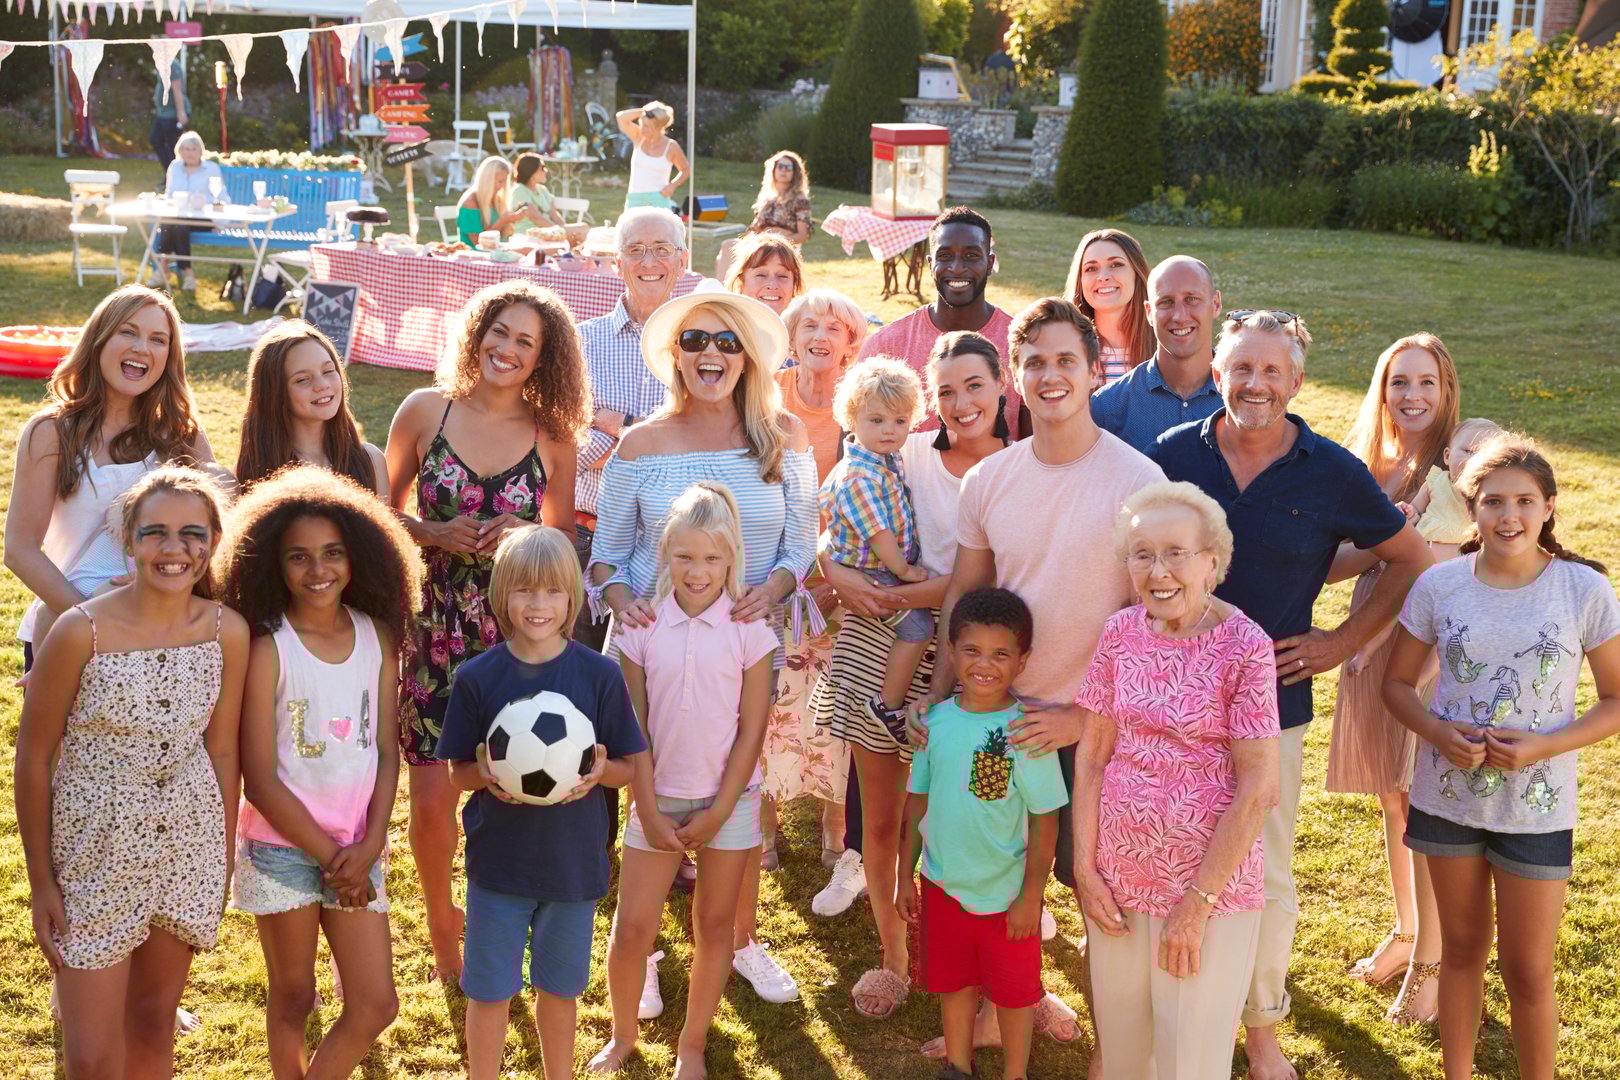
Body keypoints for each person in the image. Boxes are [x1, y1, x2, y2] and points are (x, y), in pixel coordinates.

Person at [1147, 310, 1432, 1080]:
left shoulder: (1332, 470)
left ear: (1297, 383)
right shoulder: (1173, 455)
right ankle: (1172, 997)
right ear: (1218, 375)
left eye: (1273, 372)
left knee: (1263, 870)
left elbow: (1407, 558)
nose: (1256, 384)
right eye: (1242, 369)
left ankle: (1262, 1025)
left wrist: (1342, 643)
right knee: (1174, 852)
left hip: (1273, 701)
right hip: (1170, 697)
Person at [907, 298, 1167, 1059]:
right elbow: (965, 594)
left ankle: (1117, 1046)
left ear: (1094, 370)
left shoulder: (1137, 481)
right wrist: (936, 697)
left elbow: (1156, 630)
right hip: (1000, 721)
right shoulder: (989, 479)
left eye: (1065, 360)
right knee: (990, 866)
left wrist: (1087, 720)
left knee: (1098, 888)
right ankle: (989, 1011)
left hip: (1097, 730)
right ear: (1015, 376)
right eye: (1035, 362)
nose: (1051, 375)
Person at [589, 285, 816, 1010]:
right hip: (652, 653)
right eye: (695, 341)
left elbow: (800, 541)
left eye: (725, 341)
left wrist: (775, 589)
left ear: (746, 354)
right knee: (652, 790)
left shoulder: (785, 435)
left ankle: (739, 939)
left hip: (744, 648)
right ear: (675, 356)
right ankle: (644, 949)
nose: (710, 354)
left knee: (737, 787)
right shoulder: (640, 444)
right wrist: (623, 601)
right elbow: (606, 553)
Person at [1383, 433, 1620, 1080]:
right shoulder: (1440, 587)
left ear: (1548, 507)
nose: (1507, 515)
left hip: (1538, 814)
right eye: (1491, 501)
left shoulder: (1584, 591)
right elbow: (1396, 687)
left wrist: (1544, 745)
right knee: (1461, 951)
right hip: (1446, 803)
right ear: (1471, 508)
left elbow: (1615, 701)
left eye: (1523, 501)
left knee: (1529, 971)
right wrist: (1437, 735)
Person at [384, 280, 589, 984]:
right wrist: (433, 530)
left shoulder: (553, 438)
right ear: (477, 333)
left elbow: (561, 537)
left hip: (514, 634)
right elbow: (377, 516)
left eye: (525, 342)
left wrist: (525, 532)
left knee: (512, 781)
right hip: (432, 623)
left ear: (544, 359)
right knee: (434, 794)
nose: (506, 348)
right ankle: (444, 920)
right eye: (498, 331)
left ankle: (507, 914)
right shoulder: (423, 411)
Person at [15, 467, 249, 1079]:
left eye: (192, 534)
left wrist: (220, 856)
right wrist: (42, 881)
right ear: (128, 540)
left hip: (187, 847)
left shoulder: (227, 630)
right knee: (91, 1059)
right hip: (94, 852)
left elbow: (223, 751)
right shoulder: (78, 631)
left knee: (151, 1023)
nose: (174, 550)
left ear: (213, 542)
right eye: (156, 534)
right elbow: (34, 758)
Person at [809, 332, 1010, 1025]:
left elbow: (977, 584)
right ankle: (895, 958)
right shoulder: (907, 452)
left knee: (975, 818)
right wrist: (835, 571)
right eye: (947, 391)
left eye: (974, 387)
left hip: (976, 663)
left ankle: (989, 973)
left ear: (1000, 386)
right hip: (879, 649)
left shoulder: (1021, 466)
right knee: (884, 822)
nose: (960, 403)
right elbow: (836, 523)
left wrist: (902, 595)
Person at [1074, 482, 1281, 1080]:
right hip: (1117, 879)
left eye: (1176, 553)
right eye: (1142, 554)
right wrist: (1085, 871)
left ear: (1212, 561)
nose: (1157, 571)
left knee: (1188, 1061)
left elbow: (1259, 788)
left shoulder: (1246, 647)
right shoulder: (1119, 633)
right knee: (1122, 1050)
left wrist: (1196, 904)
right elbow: (1091, 758)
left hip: (1206, 890)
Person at [223, 466, 420, 1078]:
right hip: (283, 849)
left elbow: (387, 751)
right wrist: (331, 857)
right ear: (271, 564)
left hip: (359, 848)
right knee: (294, 997)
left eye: (333, 553)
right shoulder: (267, 647)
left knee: (375, 1003)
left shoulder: (378, 637)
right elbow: (259, 776)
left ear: (360, 556)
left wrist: (369, 843)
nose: (318, 571)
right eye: (298, 557)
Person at [588, 483, 780, 1078]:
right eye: (685, 556)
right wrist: (646, 809)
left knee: (714, 923)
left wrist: (720, 812)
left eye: (712, 558)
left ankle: (691, 1044)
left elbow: (752, 731)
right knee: (634, 927)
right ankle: (623, 1037)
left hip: (731, 802)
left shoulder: (752, 632)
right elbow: (634, 730)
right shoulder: (639, 630)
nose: (698, 571)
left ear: (732, 558)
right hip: (656, 798)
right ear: (666, 555)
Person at [436, 525, 642, 1080]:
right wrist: (484, 773)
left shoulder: (599, 674)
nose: (538, 605)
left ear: (572, 597)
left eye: (553, 591)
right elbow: (457, 773)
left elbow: (624, 767)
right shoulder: (478, 677)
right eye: (525, 591)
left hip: (572, 869)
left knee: (560, 990)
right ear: (502, 595)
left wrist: (601, 772)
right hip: (499, 866)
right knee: (489, 992)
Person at [1326, 332, 1461, 1025]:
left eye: (1426, 383)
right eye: (1398, 383)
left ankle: (1433, 971)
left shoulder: (1456, 467)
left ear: (1446, 392)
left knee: (1428, 812)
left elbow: (1436, 566)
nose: (1411, 396)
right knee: (1393, 802)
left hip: (1427, 653)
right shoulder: (1370, 467)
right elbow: (1339, 553)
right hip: (1370, 640)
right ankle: (1407, 935)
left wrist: (1366, 639)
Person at [898, 587, 1068, 1080]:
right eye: (971, 651)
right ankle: (957, 1066)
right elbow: (917, 801)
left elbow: (1045, 818)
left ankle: (1015, 1073)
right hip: (943, 885)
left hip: (1007, 895)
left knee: (1015, 994)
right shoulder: (934, 723)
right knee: (955, 985)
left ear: (1022, 661)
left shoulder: (1026, 731)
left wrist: (1031, 896)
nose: (984, 665)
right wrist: (901, 874)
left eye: (1000, 654)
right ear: (951, 653)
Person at [7, 284, 218, 665]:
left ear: (169, 356)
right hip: (67, 629)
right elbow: (20, 550)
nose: (142, 348)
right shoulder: (51, 433)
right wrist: (91, 621)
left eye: (158, 339)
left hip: (163, 636)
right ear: (99, 340)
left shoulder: (183, 435)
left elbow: (218, 531)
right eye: (128, 331)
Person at [761, 288, 869, 871]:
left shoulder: (859, 403)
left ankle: (835, 831)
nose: (820, 335)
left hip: (841, 579)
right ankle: (764, 832)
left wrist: (835, 579)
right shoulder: (764, 394)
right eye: (809, 324)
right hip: (770, 568)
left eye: (835, 326)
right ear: (792, 334)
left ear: (851, 343)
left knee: (836, 707)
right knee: (766, 702)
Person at [574, 206, 692, 648]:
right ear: (617, 262)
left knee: (648, 692)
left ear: (682, 261)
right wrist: (652, 433)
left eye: (661, 249)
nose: (648, 262)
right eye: (636, 250)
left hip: (672, 549)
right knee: (576, 681)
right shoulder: (581, 342)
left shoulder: (701, 343)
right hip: (584, 536)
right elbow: (572, 450)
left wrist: (611, 421)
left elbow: (695, 443)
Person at [818, 358, 934, 736]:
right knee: (918, 628)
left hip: (883, 564)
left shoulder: (884, 459)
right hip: (875, 571)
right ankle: (886, 704)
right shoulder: (859, 475)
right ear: (852, 418)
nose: (889, 431)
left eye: (900, 422)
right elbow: (878, 533)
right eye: (877, 420)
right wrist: (903, 571)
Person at [856, 206, 1023, 438]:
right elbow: (852, 436)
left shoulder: (1020, 344)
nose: (956, 268)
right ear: (929, 264)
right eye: (944, 256)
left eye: (971, 256)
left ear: (989, 263)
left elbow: (1035, 446)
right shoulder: (885, 347)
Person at [235, 319, 389, 499]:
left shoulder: (371, 461)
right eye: (302, 379)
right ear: (274, 392)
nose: (322, 385)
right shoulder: (245, 475)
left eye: (328, 371)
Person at [1091, 255, 1224, 453]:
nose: (1179, 316)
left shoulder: (1243, 398)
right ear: (1148, 312)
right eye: (1166, 302)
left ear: (1216, 304)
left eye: (1191, 299)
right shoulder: (1107, 407)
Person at [1064, 228, 1153, 383]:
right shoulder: (1065, 351)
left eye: (1116, 264)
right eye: (1091, 268)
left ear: (1136, 274)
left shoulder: (1165, 348)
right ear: (1080, 281)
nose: (1103, 277)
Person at [714, 151, 812, 278]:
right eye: (780, 166)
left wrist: (777, 239)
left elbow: (802, 235)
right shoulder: (766, 198)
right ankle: (723, 293)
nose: (784, 170)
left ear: (795, 173)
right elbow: (754, 229)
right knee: (727, 246)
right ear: (774, 170)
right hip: (759, 242)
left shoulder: (800, 200)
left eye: (788, 168)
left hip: (781, 247)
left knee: (729, 250)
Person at [154, 131, 226, 292]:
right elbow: (170, 194)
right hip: (179, 218)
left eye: (194, 149)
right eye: (185, 149)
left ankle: (163, 269)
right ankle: (188, 274)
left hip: (204, 218)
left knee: (174, 224)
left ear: (201, 151)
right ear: (179, 151)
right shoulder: (175, 167)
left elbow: (221, 197)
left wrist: (220, 223)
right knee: (174, 224)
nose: (190, 153)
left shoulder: (211, 168)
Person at [618, 102, 690, 211]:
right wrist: (644, 111)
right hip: (634, 198)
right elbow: (621, 117)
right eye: (642, 125)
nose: (642, 129)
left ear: (658, 127)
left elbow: (685, 170)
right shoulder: (638, 137)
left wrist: (672, 185)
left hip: (658, 199)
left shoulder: (671, 146)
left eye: (646, 126)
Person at [507, 152, 590, 247]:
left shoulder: (542, 190)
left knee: (581, 230)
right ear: (532, 171)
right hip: (530, 236)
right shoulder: (520, 190)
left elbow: (554, 215)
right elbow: (537, 219)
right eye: (542, 168)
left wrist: (565, 228)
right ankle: (592, 260)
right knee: (582, 229)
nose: (545, 171)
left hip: (547, 232)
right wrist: (559, 232)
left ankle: (580, 259)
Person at [725, 232, 805, 319]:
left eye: (782, 276)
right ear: (740, 282)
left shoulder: (807, 329)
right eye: (761, 275)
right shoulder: (723, 328)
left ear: (794, 284)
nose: (772, 285)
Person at [456, 156, 529, 245]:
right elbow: (479, 244)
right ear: (487, 180)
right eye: (500, 181)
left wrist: (511, 219)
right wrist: (502, 221)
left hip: (498, 250)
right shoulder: (470, 203)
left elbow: (504, 236)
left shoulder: (496, 199)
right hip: (475, 254)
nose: (502, 186)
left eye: (504, 182)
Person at [150, 44, 188, 183]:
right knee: (156, 140)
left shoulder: (173, 65)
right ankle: (170, 174)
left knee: (174, 148)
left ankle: (176, 178)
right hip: (164, 114)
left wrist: (181, 112)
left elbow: (177, 90)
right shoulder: (164, 63)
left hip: (172, 115)